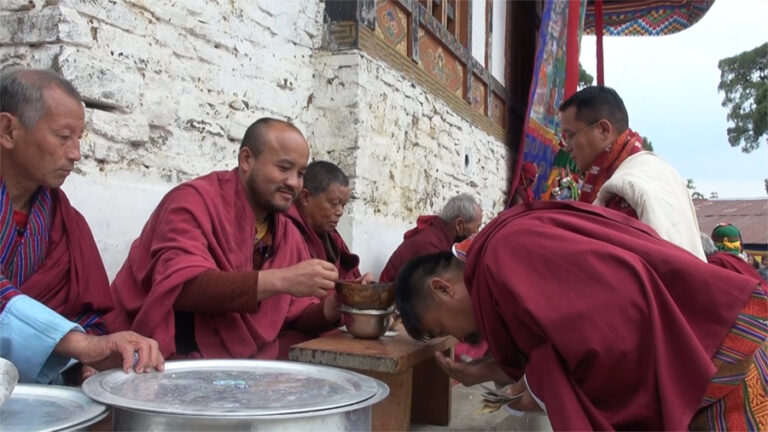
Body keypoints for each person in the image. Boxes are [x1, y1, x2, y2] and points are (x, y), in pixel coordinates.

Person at [396, 200, 767, 430]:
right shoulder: (504, 246)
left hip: (720, 359)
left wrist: (544, 394)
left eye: (444, 328)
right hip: (716, 342)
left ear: (442, 288)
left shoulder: (503, 257)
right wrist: (490, 372)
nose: (462, 340)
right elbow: (561, 333)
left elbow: (614, 318)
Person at [107, 118, 342, 360]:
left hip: (242, 361)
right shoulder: (193, 202)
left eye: (300, 173)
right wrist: (281, 280)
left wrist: (335, 305)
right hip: (171, 351)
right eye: (283, 168)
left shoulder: (286, 234)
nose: (293, 182)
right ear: (246, 160)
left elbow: (291, 315)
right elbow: (179, 288)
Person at [0, 68, 164, 383]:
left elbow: (90, 317)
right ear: (8, 130)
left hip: (42, 397)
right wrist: (82, 345)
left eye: (79, 138)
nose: (76, 154)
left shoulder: (66, 223)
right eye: (63, 137)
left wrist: (93, 361)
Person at [560, 86, 705, 260]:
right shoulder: (660, 169)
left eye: (569, 135)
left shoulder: (624, 188)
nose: (566, 147)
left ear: (604, 130)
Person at [285, 161, 370, 281]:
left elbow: (345, 279)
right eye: (334, 204)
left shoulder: (332, 238)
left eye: (343, 205)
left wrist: (360, 284)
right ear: (305, 197)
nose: (340, 212)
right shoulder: (284, 230)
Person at [379, 193, 482, 282]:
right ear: (459, 224)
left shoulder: (438, 232)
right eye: (477, 227)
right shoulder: (432, 244)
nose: (476, 233)